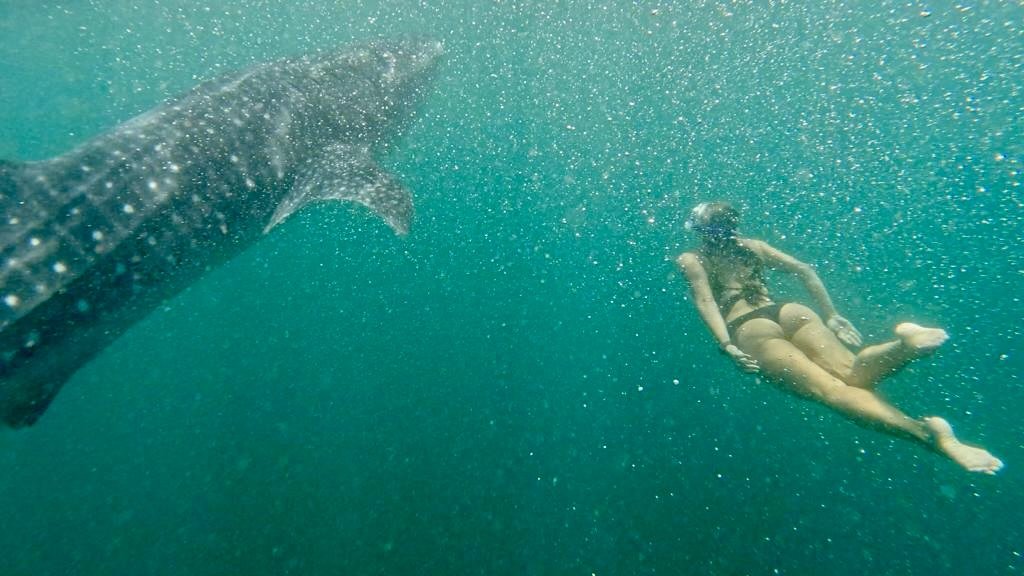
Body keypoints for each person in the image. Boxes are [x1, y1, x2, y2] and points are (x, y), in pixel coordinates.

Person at [676, 201, 1003, 474]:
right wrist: (830, 314)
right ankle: (904, 347)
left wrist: (728, 345)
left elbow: (705, 299)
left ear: (700, 231)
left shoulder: (692, 259)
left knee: (831, 391)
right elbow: (805, 269)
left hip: (750, 327)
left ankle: (928, 436)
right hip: (790, 311)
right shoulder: (755, 247)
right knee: (852, 375)